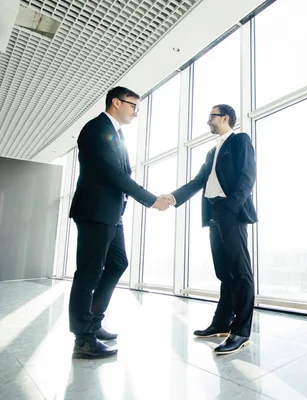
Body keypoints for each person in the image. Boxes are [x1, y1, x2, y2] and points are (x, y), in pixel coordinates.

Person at [68, 86, 170, 359]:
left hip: (112, 213)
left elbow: (119, 174)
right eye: (133, 106)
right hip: (95, 212)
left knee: (118, 263)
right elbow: (114, 174)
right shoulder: (96, 129)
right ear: (116, 102)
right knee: (88, 273)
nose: (136, 113)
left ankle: (93, 321)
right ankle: (83, 338)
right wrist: (151, 199)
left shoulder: (117, 134)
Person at [161, 104, 257, 355]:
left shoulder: (240, 141)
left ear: (225, 118)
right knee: (224, 272)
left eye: (211, 117)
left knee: (241, 272)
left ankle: (241, 332)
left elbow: (248, 177)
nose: (208, 121)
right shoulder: (211, 152)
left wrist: (232, 208)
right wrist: (172, 197)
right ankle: (221, 324)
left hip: (231, 213)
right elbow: (197, 182)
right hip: (214, 213)